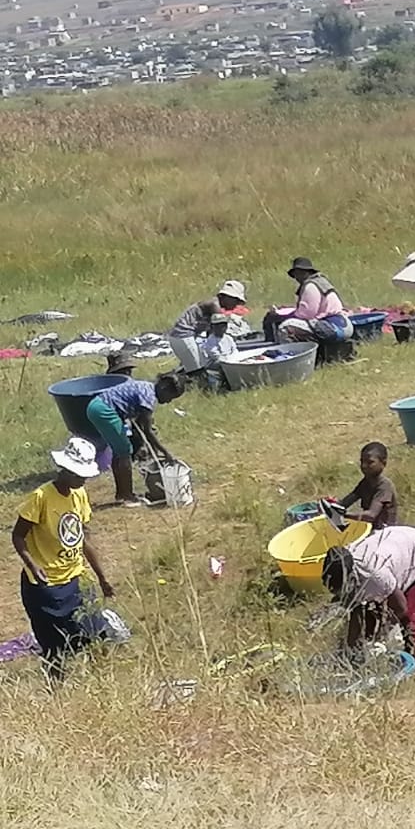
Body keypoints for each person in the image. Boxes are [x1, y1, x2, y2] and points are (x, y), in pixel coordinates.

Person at [12, 437, 116, 683]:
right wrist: (32, 564)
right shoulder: (41, 497)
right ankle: (55, 691)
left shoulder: (79, 495)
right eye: (78, 475)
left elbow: (83, 538)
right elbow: (17, 536)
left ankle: (99, 684)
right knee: (54, 644)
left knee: (93, 631)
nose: (83, 480)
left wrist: (102, 577)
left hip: (76, 578)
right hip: (45, 585)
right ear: (65, 469)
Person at [321, 524, 415, 663]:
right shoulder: (344, 565)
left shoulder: (374, 575)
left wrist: (381, 636)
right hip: (396, 544)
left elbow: (401, 608)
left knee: (409, 621)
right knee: (372, 615)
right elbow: (357, 610)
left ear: (350, 579)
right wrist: (350, 650)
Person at [84, 372, 184, 506]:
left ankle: (121, 493)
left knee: (118, 450)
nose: (168, 402)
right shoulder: (149, 396)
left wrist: (152, 450)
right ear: (164, 387)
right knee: (125, 451)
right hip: (105, 410)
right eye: (170, 397)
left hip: (96, 406)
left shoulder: (145, 387)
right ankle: (128, 496)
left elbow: (140, 427)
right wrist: (165, 452)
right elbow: (147, 431)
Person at [265, 257, 352, 349]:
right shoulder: (321, 282)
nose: (298, 276)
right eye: (296, 273)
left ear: (308, 272)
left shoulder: (310, 286)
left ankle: (290, 354)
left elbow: (307, 314)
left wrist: (283, 316)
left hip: (332, 327)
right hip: (343, 324)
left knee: (286, 326)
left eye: (300, 272)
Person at [168, 280, 246, 378]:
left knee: (192, 366)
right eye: (235, 301)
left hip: (182, 337)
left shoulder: (215, 306)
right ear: (225, 297)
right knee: (197, 371)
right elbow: (219, 330)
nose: (236, 305)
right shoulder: (214, 305)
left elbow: (211, 333)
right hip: (183, 336)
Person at [337, 441, 399, 530]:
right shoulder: (365, 483)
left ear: (383, 463)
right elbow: (345, 503)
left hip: (385, 532)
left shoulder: (384, 486)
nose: (364, 466)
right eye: (362, 461)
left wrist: (343, 514)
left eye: (370, 462)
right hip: (370, 529)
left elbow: (371, 515)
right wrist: (330, 506)